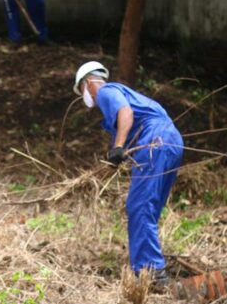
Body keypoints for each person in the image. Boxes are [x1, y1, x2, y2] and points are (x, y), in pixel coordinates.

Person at [74, 61, 183, 290]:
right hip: (171, 141)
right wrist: (116, 156)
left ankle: (151, 271)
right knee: (149, 207)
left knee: (139, 205)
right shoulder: (122, 92)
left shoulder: (106, 91)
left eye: (82, 89)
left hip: (154, 142)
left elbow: (126, 113)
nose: (86, 96)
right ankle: (151, 266)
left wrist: (118, 146)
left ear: (88, 83)